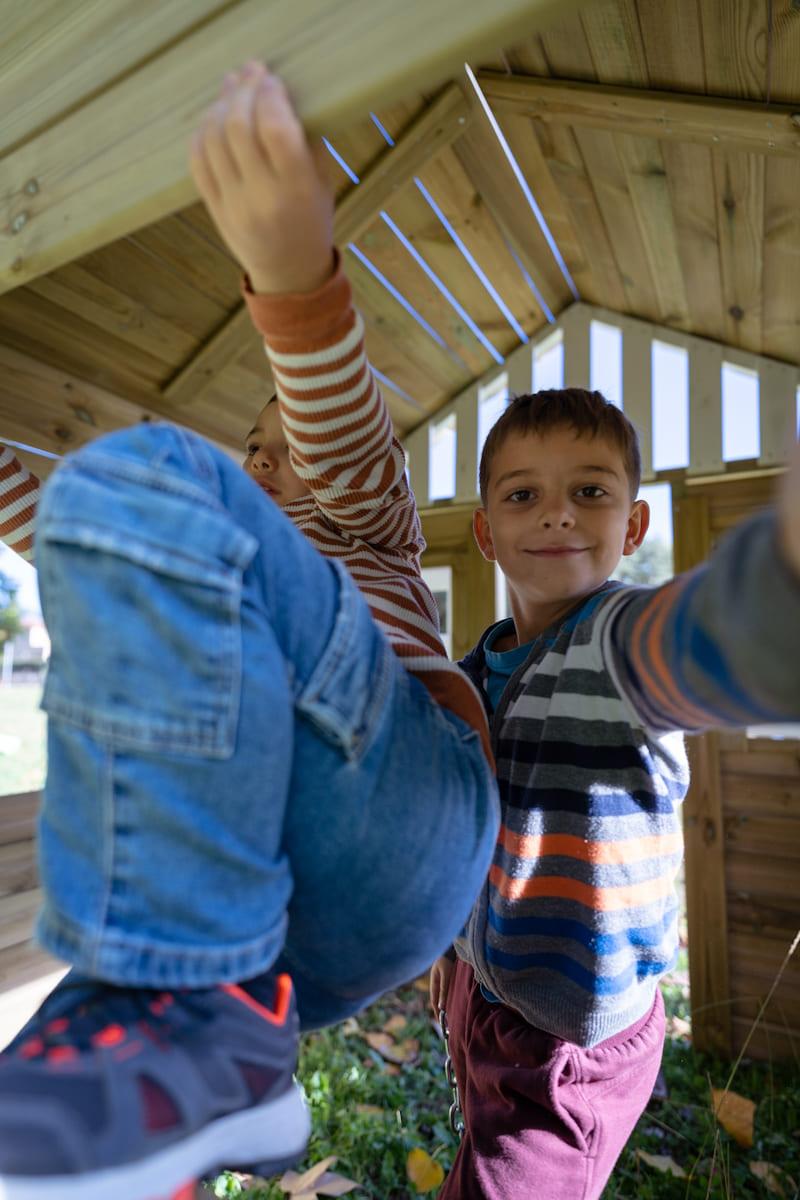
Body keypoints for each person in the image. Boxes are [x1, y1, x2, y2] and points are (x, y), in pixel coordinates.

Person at [0, 64, 499, 1200]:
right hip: (290, 936)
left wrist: (289, 269)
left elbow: (344, 443)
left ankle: (177, 1008)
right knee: (104, 519)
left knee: (136, 480)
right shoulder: (226, 585)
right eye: (255, 449)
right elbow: (55, 523)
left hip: (411, 810)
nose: (267, 460)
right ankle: (171, 1065)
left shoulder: (363, 528)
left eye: (279, 445)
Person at [428, 390, 800, 1200]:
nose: (557, 514)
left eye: (590, 492)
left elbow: (720, 639)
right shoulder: (465, 678)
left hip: (570, 1054)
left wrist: (783, 578)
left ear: (632, 527)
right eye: (524, 494)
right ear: (486, 532)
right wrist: (452, 951)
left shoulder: (621, 645)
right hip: (484, 992)